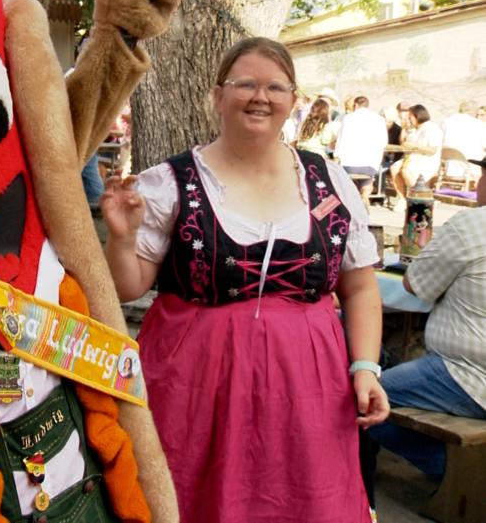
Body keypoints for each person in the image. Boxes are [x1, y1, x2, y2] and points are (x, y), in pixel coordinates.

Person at [103, 37, 388, 522]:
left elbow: (359, 287)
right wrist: (123, 239)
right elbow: (128, 288)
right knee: (194, 499)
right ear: (218, 97)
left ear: (292, 102)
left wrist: (365, 367)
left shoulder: (329, 180)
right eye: (245, 84)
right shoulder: (171, 182)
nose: (261, 97)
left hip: (309, 390)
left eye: (276, 87)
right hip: (196, 386)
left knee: (306, 500)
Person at [367, 161, 486, 479]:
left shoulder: (472, 224)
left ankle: (462, 478)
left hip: (467, 373)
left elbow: (415, 284)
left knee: (363, 398)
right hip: (468, 370)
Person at [335, 96, 388, 204]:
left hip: (349, 165)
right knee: (368, 179)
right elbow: (384, 142)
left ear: (355, 105)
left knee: (345, 177)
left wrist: (337, 158)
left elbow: (342, 140)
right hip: (370, 165)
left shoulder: (348, 118)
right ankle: (365, 195)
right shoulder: (379, 119)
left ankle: (350, 198)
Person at [389, 104, 442, 210]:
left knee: (405, 170)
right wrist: (403, 131)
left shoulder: (431, 129)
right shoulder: (412, 128)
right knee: (394, 168)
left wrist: (416, 146)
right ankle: (402, 199)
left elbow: (433, 150)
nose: (409, 119)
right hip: (411, 157)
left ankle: (421, 198)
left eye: (411, 116)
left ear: (418, 116)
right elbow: (404, 143)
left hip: (426, 159)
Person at [438, 100, 486, 184]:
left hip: (449, 167)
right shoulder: (480, 124)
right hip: (472, 170)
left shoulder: (445, 121)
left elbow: (438, 142)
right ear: (475, 112)